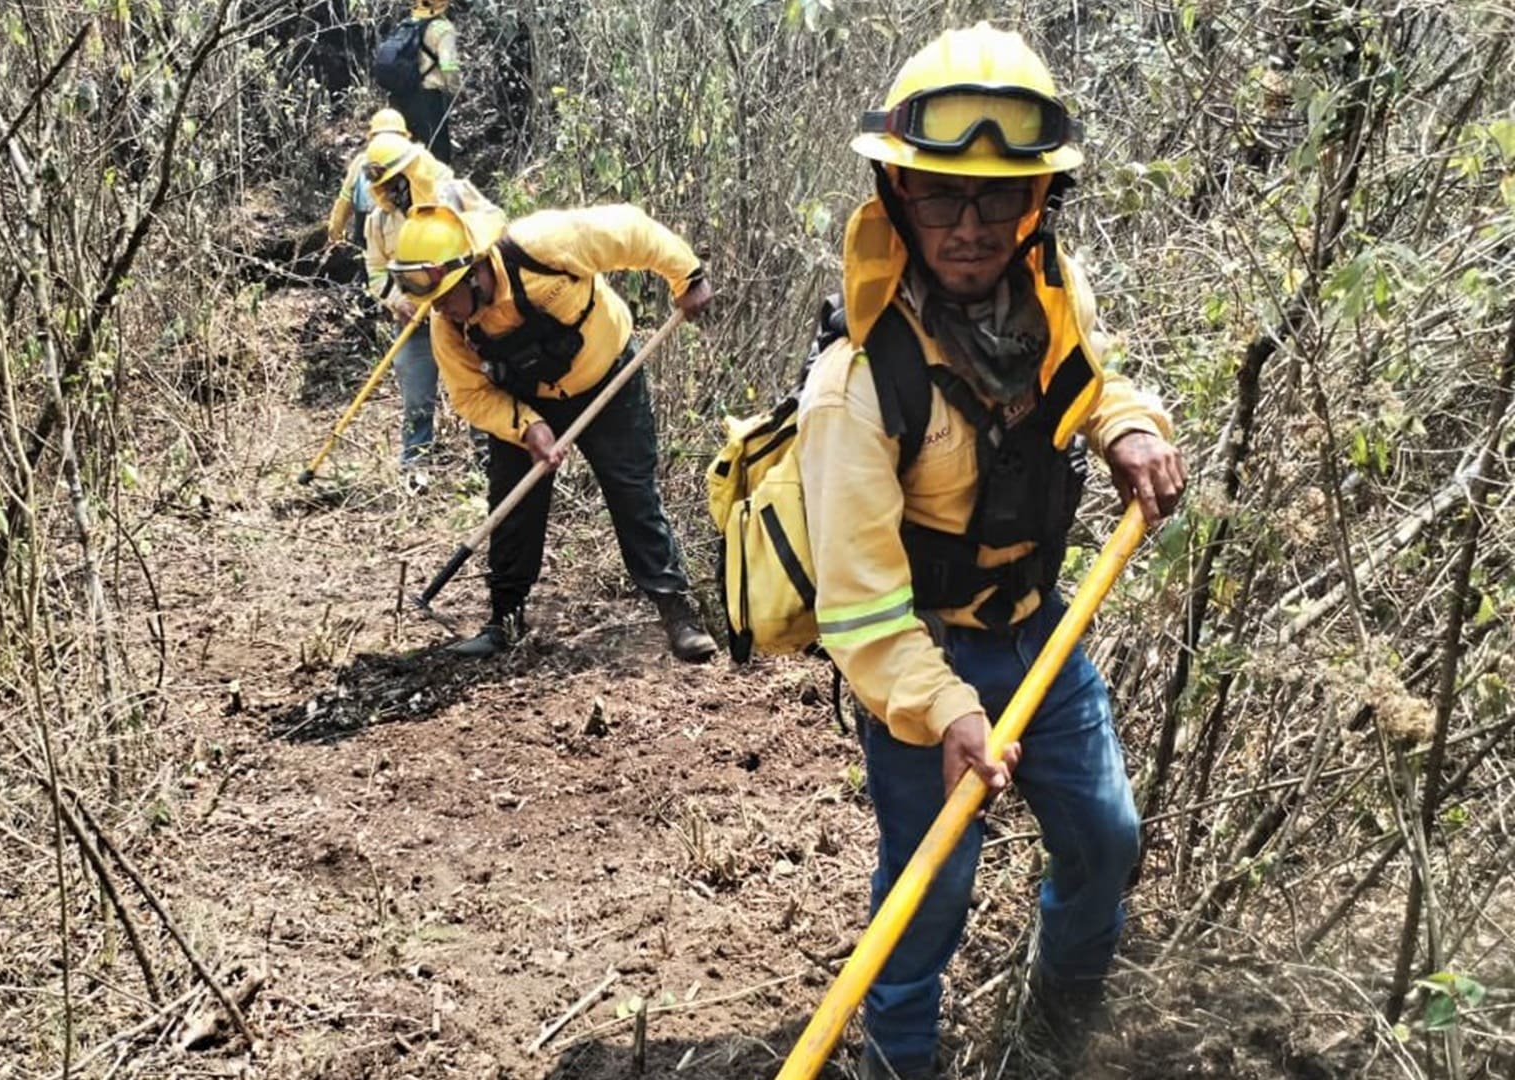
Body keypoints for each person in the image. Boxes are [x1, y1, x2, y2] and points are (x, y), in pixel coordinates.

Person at [793, 22, 1187, 1080]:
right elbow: (863, 615)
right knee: (927, 897)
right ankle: (898, 1062)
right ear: (895, 198)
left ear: (1036, 207)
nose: (970, 226)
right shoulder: (857, 392)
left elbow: (1093, 380)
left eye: (999, 199)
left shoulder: (1051, 296)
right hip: (926, 662)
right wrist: (949, 712)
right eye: (939, 196)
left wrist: (1131, 427)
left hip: (1040, 640)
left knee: (1106, 844)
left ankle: (1056, 1037)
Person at [385, 202, 719, 663]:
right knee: (512, 502)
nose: (439, 309)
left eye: (444, 295)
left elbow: (633, 231)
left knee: (632, 494)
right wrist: (526, 426)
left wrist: (688, 277)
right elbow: (470, 397)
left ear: (474, 271)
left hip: (608, 378)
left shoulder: (544, 245)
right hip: (527, 400)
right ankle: (504, 619)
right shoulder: (450, 328)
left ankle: (678, 615)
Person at [360, 133, 500, 477]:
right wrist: (397, 300)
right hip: (414, 322)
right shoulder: (379, 221)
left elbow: (494, 224)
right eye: (386, 185)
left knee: (479, 383)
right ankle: (416, 464)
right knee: (416, 393)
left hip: (467, 313)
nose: (393, 191)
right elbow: (376, 270)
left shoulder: (456, 193)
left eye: (396, 181)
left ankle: (486, 457)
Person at [326, 107, 411, 248]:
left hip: (372, 236)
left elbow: (344, 202)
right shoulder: (410, 164)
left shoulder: (361, 162)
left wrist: (336, 232)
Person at [393, 0, 461, 164]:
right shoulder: (443, 29)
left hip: (401, 96)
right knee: (437, 153)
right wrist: (454, 89)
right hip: (428, 97)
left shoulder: (407, 25)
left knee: (408, 152)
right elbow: (448, 65)